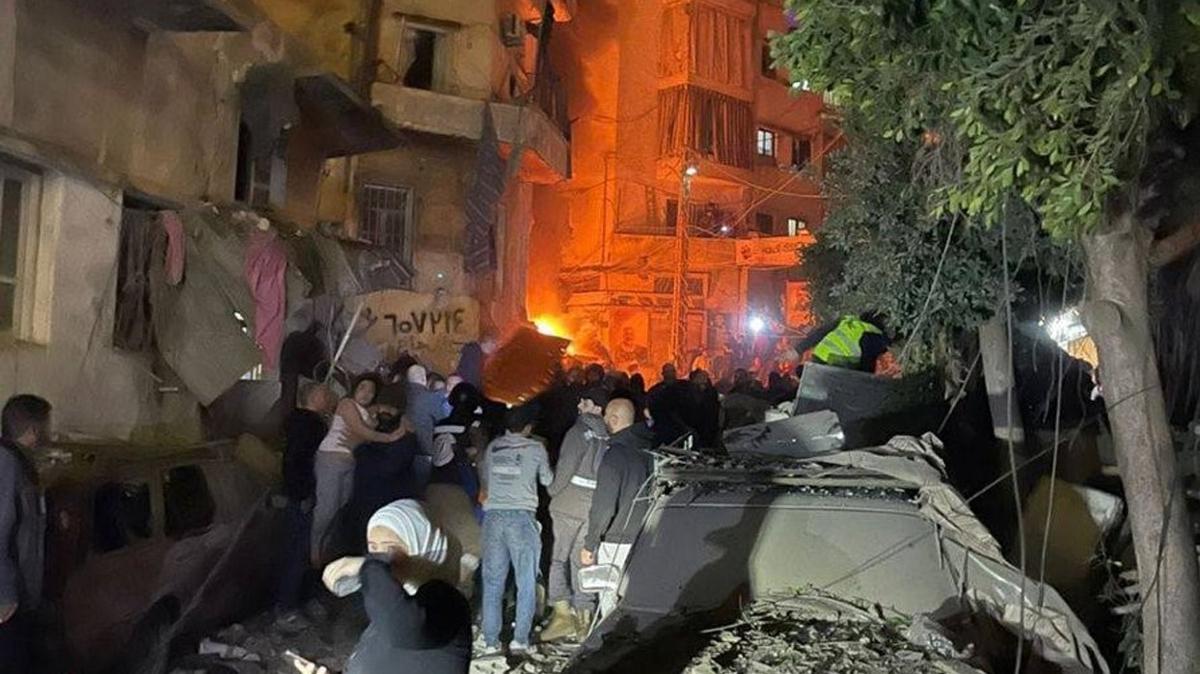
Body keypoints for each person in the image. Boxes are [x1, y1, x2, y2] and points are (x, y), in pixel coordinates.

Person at [322, 500, 471, 674]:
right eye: (373, 548)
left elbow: (404, 631)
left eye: (390, 549)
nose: (379, 558)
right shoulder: (396, 599)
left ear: (421, 545)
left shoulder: (446, 601)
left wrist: (368, 567)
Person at [478, 404, 553, 657]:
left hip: (493, 517)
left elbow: (486, 480)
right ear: (529, 427)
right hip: (522, 517)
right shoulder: (536, 448)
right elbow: (547, 480)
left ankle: (490, 641)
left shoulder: (493, 447)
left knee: (492, 582)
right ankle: (520, 640)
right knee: (526, 581)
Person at [312, 374, 404, 565]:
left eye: (371, 391)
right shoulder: (346, 404)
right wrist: (391, 437)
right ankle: (314, 550)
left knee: (341, 506)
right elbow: (362, 431)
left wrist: (388, 411)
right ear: (354, 389)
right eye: (362, 388)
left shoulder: (367, 411)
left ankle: (326, 548)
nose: (366, 393)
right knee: (327, 508)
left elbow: (376, 415)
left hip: (348, 463)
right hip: (331, 459)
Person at [542, 388, 609, 642]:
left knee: (559, 559)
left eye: (584, 402)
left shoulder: (578, 431)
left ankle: (562, 617)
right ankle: (584, 618)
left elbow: (565, 467)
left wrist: (552, 491)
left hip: (568, 505)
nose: (580, 406)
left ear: (595, 406)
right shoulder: (607, 435)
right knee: (582, 560)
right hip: (591, 508)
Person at [581, 398, 655, 619]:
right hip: (643, 537)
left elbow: (604, 507)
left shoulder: (614, 455)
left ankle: (610, 637)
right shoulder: (648, 452)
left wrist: (590, 543)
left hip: (616, 541)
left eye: (606, 417)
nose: (604, 420)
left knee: (610, 602)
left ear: (614, 419)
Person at [276, 383, 335, 631]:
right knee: (297, 553)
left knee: (298, 551)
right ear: (313, 397)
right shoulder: (309, 425)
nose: (328, 397)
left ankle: (295, 602)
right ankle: (286, 610)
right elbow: (296, 462)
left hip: (297, 495)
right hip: (301, 496)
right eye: (324, 394)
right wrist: (303, 494)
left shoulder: (296, 422)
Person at [0, 395, 49, 671]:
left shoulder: (17, 463)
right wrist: (4, 595)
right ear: (34, 430)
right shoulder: (6, 464)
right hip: (6, 603)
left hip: (19, 597)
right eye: (47, 426)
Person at [795, 313, 891, 373]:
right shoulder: (873, 336)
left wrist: (799, 349)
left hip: (819, 357)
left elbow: (821, 332)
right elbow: (865, 372)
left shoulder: (846, 320)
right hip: (835, 365)